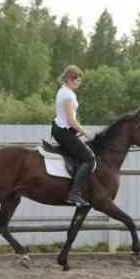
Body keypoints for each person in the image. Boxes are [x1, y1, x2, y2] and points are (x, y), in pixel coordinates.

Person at [51, 65, 95, 207]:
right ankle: (74, 194)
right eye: (77, 79)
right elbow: (70, 120)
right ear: (70, 79)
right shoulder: (68, 95)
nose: (79, 82)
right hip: (64, 132)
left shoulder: (63, 91)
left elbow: (69, 118)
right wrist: (86, 132)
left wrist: (78, 129)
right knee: (89, 159)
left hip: (62, 130)